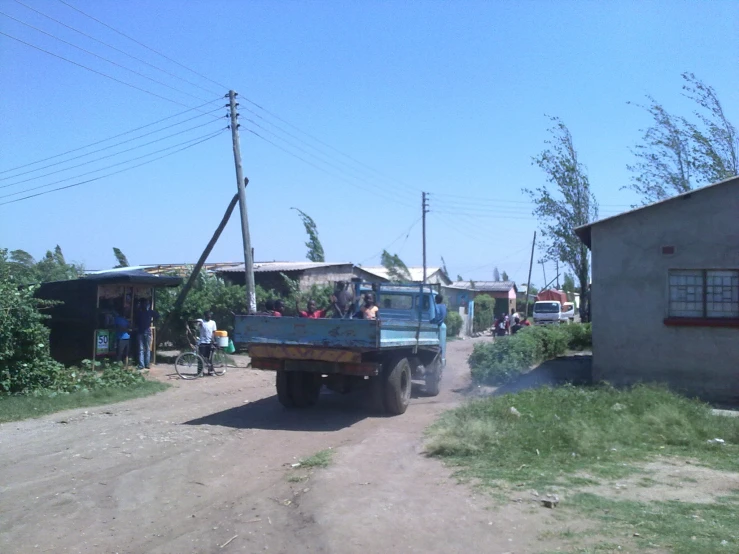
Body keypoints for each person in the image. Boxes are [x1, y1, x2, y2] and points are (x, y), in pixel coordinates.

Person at [135, 299, 159, 369]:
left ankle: (144, 365)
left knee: (142, 349)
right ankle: (145, 364)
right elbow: (157, 316)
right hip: (144, 332)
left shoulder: (144, 312)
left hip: (143, 332)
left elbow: (157, 316)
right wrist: (151, 321)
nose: (145, 305)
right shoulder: (147, 312)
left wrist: (151, 321)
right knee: (145, 349)